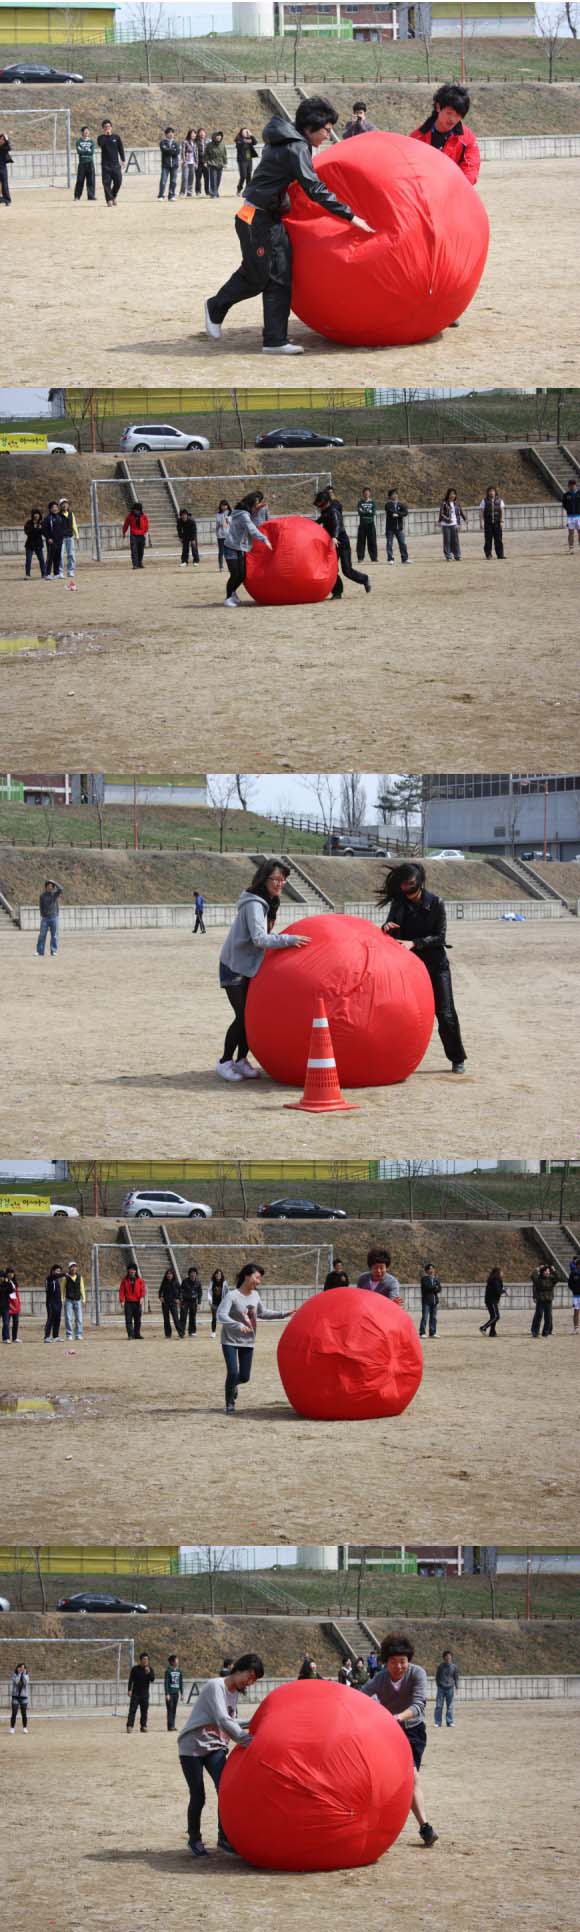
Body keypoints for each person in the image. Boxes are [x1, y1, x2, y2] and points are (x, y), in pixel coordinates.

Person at [205, 97, 371, 356]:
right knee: (257, 276)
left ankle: (274, 340)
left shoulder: (288, 139)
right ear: (310, 127)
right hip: (255, 218)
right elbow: (314, 187)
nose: (328, 136)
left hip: (271, 218)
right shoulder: (296, 146)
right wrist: (350, 216)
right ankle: (215, 306)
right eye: (326, 130)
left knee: (280, 275)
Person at [218, 857, 309, 1082]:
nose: (280, 883)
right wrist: (290, 939)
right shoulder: (254, 904)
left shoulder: (269, 901)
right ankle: (225, 1062)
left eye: (283, 879)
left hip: (250, 966)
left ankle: (241, 1060)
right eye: (276, 879)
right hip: (234, 966)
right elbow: (260, 938)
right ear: (264, 879)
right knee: (243, 1017)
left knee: (251, 1017)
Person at [379, 860, 467, 1074]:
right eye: (403, 883)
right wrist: (386, 927)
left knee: (445, 1013)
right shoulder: (398, 903)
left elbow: (440, 937)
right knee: (400, 1013)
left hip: (436, 965)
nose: (406, 888)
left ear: (420, 882)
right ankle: (395, 1057)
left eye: (410, 883)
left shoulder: (436, 903)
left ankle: (457, 1058)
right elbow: (392, 931)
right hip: (408, 966)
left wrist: (415, 943)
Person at [178, 1653, 263, 1857]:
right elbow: (223, 1720)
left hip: (215, 1746)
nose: (249, 1682)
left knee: (226, 1790)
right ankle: (194, 1838)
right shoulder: (215, 1686)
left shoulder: (233, 1693)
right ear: (239, 1668)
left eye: (254, 1680)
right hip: (192, 1748)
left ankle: (224, 1838)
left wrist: (255, 1721)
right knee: (198, 1795)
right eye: (249, 1676)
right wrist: (249, 1741)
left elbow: (230, 1720)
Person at [359, 1635, 438, 1847]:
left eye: (403, 1661)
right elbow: (360, 1697)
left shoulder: (417, 1673)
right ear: (385, 1662)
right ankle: (422, 1827)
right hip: (388, 1733)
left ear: (408, 1660)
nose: (399, 1666)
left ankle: (424, 1826)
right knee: (394, 1778)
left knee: (411, 1777)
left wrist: (397, 1717)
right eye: (393, 1662)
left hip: (413, 1733)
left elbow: (419, 1705)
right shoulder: (380, 1679)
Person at [217, 1263, 289, 1415]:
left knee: (244, 1377)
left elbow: (263, 1313)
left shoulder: (255, 1295)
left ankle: (232, 1385)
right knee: (233, 1372)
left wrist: (283, 1313)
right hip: (229, 1340)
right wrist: (238, 1325)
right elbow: (221, 1314)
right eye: (257, 1277)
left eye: (260, 1279)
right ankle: (229, 1403)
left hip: (248, 1341)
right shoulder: (232, 1295)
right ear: (247, 1276)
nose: (258, 1281)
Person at [410, 84, 481, 184]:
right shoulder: (416, 139)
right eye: (449, 113)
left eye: (458, 115)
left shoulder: (467, 139)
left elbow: (471, 168)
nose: (452, 119)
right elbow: (410, 171)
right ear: (438, 107)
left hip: (455, 189)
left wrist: (454, 187)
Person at [314, 486, 371, 597]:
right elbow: (316, 523)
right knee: (332, 569)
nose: (320, 507)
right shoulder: (325, 512)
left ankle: (364, 579)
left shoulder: (334, 511)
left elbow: (337, 525)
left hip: (342, 542)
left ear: (326, 502)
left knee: (347, 570)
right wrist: (303, 521)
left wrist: (335, 537)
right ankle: (337, 592)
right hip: (332, 544)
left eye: (321, 504)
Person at [221, 491, 271, 608]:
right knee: (235, 574)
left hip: (240, 547)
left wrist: (259, 510)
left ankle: (232, 592)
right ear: (250, 504)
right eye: (255, 504)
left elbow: (255, 522)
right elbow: (252, 529)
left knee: (242, 574)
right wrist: (264, 539)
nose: (256, 506)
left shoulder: (243, 512)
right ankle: (228, 598)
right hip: (231, 547)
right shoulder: (243, 515)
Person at [98, 119, 125, 204]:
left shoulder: (116, 137)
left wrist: (123, 159)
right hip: (106, 165)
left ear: (111, 127)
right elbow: (101, 144)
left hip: (115, 164)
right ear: (103, 128)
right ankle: (109, 200)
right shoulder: (101, 138)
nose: (107, 128)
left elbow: (121, 149)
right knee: (106, 183)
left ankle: (113, 195)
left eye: (109, 126)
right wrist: (106, 136)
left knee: (118, 181)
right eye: (105, 127)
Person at [126, 1653, 155, 1733]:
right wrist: (129, 1690)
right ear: (141, 1660)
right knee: (132, 1710)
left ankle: (143, 1726)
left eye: (147, 1659)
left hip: (145, 1694)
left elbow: (152, 1679)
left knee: (144, 1711)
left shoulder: (150, 1669)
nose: (146, 1661)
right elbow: (131, 1680)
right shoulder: (135, 1669)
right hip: (136, 1693)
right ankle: (129, 1726)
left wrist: (148, 1672)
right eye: (144, 1659)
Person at [36, 877, 62, 958]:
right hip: (45, 918)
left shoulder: (55, 894)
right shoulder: (42, 896)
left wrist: (54, 882)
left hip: (54, 917)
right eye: (48, 886)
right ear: (46, 887)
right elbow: (41, 906)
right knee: (42, 935)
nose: (50, 887)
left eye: (51, 886)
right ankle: (40, 951)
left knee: (54, 935)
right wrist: (42, 914)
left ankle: (53, 951)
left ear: (53, 887)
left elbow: (61, 889)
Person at [438, 488, 467, 561]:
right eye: (451, 494)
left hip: (454, 524)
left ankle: (457, 555)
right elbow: (441, 514)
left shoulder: (457, 503)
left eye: (454, 494)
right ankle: (448, 556)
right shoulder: (444, 503)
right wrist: (447, 519)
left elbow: (460, 512)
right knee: (447, 541)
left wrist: (465, 519)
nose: (453, 495)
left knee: (455, 541)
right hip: (446, 525)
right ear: (448, 495)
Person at [531, 1262, 558, 1338]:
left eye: (548, 1271)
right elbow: (533, 1276)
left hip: (548, 1299)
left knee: (548, 1316)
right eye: (546, 1271)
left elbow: (558, 1278)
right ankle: (535, 1332)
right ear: (543, 1272)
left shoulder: (551, 1279)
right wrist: (537, 1269)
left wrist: (554, 1270)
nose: (548, 1272)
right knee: (538, 1315)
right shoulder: (538, 1279)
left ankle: (545, 1333)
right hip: (541, 1299)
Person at [119, 1263, 146, 1339]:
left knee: (138, 1319)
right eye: (130, 1270)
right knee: (128, 1319)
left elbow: (142, 1290)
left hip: (137, 1302)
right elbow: (121, 1291)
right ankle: (130, 1334)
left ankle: (137, 1334)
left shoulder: (140, 1280)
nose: (132, 1271)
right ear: (128, 1271)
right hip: (128, 1303)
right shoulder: (124, 1281)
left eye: (133, 1270)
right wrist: (122, 1301)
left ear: (136, 1271)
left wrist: (142, 1298)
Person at [57, 497, 78, 589]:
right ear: (60, 506)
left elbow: (74, 525)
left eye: (66, 503)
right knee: (60, 555)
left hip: (70, 536)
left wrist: (77, 535)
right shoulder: (58, 515)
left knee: (71, 554)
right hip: (61, 538)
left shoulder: (71, 514)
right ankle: (60, 572)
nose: (65, 505)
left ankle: (70, 571)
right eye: (63, 504)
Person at [434, 1650, 459, 1728]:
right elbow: (437, 1677)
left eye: (449, 1656)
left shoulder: (454, 1667)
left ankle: (450, 1722)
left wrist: (457, 1687)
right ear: (444, 1658)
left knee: (450, 1706)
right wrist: (438, 1685)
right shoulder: (440, 1666)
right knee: (439, 1706)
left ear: (451, 1657)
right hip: (441, 1688)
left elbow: (456, 1677)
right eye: (446, 1656)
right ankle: (438, 1722)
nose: (448, 1658)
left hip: (450, 1688)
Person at [385, 489, 411, 565]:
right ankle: (390, 559)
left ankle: (405, 558)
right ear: (390, 496)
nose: (395, 495)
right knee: (389, 543)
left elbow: (405, 512)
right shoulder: (388, 504)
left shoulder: (401, 504)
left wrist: (398, 514)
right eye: (393, 494)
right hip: (390, 528)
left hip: (399, 527)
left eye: (396, 494)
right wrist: (399, 513)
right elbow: (390, 511)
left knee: (402, 543)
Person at [479, 486, 505, 560]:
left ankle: (500, 555)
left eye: (493, 491)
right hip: (488, 523)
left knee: (498, 539)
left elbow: (502, 511)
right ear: (488, 493)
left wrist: (502, 521)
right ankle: (488, 555)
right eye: (490, 491)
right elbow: (481, 512)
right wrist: (481, 522)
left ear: (495, 492)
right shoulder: (484, 501)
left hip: (497, 523)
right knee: (488, 540)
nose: (491, 493)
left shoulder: (500, 500)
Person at [480, 1264, 505, 1338]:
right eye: (501, 1272)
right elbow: (497, 1290)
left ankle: (492, 1332)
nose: (502, 1273)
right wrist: (503, 1291)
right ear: (498, 1273)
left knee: (493, 1316)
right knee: (496, 1316)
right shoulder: (495, 1280)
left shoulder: (493, 1279)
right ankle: (484, 1327)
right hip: (492, 1300)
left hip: (490, 1300)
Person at [122, 502, 150, 570]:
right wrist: (124, 532)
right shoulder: (130, 516)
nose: (136, 511)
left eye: (137, 510)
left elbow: (147, 525)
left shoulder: (144, 516)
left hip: (141, 535)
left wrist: (144, 531)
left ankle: (140, 563)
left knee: (141, 550)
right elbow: (126, 524)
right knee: (134, 550)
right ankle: (135, 564)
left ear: (140, 510)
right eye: (135, 510)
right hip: (133, 535)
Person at [63, 1261, 85, 1341]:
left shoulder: (80, 1277)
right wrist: (62, 1299)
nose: (74, 1268)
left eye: (75, 1266)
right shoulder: (65, 1278)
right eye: (72, 1267)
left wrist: (84, 1298)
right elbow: (62, 1289)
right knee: (68, 1318)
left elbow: (82, 1288)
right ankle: (69, 1334)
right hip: (68, 1300)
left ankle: (78, 1334)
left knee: (79, 1318)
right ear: (69, 1268)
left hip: (78, 1299)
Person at [419, 1262, 441, 1338]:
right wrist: (434, 1287)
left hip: (434, 1301)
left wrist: (435, 1288)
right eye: (430, 1269)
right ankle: (422, 1332)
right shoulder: (424, 1279)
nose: (432, 1270)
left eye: (433, 1269)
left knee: (433, 1317)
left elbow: (439, 1289)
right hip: (426, 1301)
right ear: (426, 1271)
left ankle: (432, 1332)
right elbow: (427, 1288)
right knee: (425, 1317)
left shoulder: (436, 1279)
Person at [159, 1266, 182, 1338]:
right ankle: (168, 1334)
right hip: (165, 1303)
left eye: (170, 1274)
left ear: (173, 1275)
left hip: (173, 1302)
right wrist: (160, 1297)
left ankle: (181, 1333)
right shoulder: (164, 1282)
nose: (169, 1275)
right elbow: (160, 1291)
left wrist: (179, 1299)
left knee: (176, 1318)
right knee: (166, 1319)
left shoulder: (176, 1283)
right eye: (168, 1274)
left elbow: (181, 1292)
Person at [356, 487, 378, 563]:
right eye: (365, 493)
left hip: (370, 524)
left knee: (372, 541)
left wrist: (364, 511)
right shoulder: (360, 502)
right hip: (362, 524)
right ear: (363, 494)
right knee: (361, 542)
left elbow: (373, 513)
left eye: (368, 493)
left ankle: (374, 558)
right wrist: (368, 511)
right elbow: (360, 513)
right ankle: (360, 558)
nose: (366, 494)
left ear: (370, 493)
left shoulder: (373, 503)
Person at [180, 1265, 202, 1337]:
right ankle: (181, 1331)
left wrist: (199, 1303)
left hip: (193, 1302)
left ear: (196, 1274)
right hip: (185, 1301)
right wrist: (181, 1299)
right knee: (183, 1316)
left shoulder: (198, 1282)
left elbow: (200, 1293)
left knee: (193, 1317)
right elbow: (180, 1291)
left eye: (194, 1273)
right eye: (191, 1273)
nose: (193, 1274)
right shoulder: (185, 1281)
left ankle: (192, 1331)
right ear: (189, 1274)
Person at [74, 127, 96, 201]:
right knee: (80, 180)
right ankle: (77, 196)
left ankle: (91, 196)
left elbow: (91, 152)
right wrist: (87, 150)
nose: (86, 132)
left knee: (91, 180)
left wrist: (83, 150)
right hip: (82, 163)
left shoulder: (91, 141)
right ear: (82, 132)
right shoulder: (78, 142)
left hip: (90, 163)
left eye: (88, 131)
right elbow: (79, 151)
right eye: (85, 131)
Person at [44, 1263, 64, 1341]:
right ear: (52, 1271)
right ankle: (47, 1336)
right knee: (50, 1319)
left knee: (57, 1319)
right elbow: (54, 1276)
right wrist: (64, 1274)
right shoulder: (49, 1278)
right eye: (57, 1271)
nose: (58, 1273)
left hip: (58, 1302)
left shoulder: (56, 1280)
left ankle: (56, 1336)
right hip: (51, 1302)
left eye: (59, 1271)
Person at [42, 501, 63, 577]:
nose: (55, 509)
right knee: (50, 557)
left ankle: (56, 573)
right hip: (51, 541)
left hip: (59, 541)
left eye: (56, 507)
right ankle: (47, 574)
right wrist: (48, 538)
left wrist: (62, 537)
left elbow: (61, 529)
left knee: (58, 557)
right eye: (53, 507)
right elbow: (44, 530)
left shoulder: (59, 517)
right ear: (50, 509)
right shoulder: (47, 518)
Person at [23, 509, 46, 579]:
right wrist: (35, 528)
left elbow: (44, 532)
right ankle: (27, 574)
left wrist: (41, 529)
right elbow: (27, 532)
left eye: (37, 514)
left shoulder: (41, 523)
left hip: (38, 544)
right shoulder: (29, 523)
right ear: (32, 515)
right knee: (28, 559)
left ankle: (44, 574)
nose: (36, 515)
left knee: (41, 559)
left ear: (40, 515)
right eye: (35, 514)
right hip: (29, 544)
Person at [235, 126, 259, 193]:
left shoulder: (249, 138)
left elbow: (255, 142)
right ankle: (239, 189)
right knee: (243, 176)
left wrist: (251, 135)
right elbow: (239, 144)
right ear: (241, 133)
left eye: (247, 132)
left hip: (249, 160)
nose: (246, 133)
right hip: (242, 160)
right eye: (244, 132)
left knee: (249, 176)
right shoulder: (238, 139)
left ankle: (248, 190)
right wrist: (246, 141)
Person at [159, 126, 179, 201]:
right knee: (163, 181)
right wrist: (172, 150)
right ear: (166, 134)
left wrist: (169, 150)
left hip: (174, 165)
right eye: (169, 133)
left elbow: (177, 152)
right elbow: (164, 150)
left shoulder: (176, 143)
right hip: (165, 165)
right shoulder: (162, 142)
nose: (171, 134)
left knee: (173, 181)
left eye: (172, 133)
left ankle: (171, 195)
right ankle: (161, 195)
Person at [206, 130, 227, 198]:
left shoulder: (222, 144)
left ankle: (216, 191)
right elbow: (206, 154)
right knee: (213, 179)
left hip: (220, 164)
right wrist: (205, 161)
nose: (219, 137)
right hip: (212, 163)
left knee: (218, 179)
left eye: (220, 135)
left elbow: (224, 154)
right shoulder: (209, 145)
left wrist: (225, 162)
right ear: (214, 136)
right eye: (217, 135)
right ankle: (213, 193)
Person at [165, 1654, 184, 1731]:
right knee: (170, 1709)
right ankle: (170, 1726)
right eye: (176, 1660)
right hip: (170, 1693)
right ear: (172, 1662)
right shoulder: (168, 1671)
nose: (178, 1661)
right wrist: (167, 1693)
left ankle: (172, 1725)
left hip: (176, 1693)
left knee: (174, 1709)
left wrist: (182, 1693)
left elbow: (181, 1682)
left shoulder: (179, 1671)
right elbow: (166, 1683)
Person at [10, 1663, 30, 1734]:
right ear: (17, 1668)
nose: (22, 1669)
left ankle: (25, 1728)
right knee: (14, 1713)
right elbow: (16, 1682)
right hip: (15, 1696)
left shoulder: (26, 1675)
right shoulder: (14, 1675)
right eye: (20, 1668)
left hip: (24, 1697)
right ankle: (12, 1728)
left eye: (23, 1668)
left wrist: (23, 1674)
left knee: (24, 1713)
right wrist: (19, 1674)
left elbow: (26, 1682)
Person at [562, 477, 580, 553]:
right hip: (570, 516)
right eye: (571, 485)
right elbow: (564, 505)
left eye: (573, 485)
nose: (572, 486)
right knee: (571, 532)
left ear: (576, 485)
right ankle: (571, 548)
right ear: (568, 486)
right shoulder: (566, 495)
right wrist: (569, 510)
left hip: (579, 516)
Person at [3, 1269, 21, 1343]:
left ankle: (15, 1338)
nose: (11, 1274)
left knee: (16, 1322)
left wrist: (18, 1304)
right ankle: (6, 1338)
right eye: (9, 1273)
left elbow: (17, 1295)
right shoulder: (4, 1283)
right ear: (6, 1274)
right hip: (8, 1305)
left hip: (15, 1305)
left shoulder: (15, 1283)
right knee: (6, 1323)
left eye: (12, 1273)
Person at [208, 1268, 227, 1334]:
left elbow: (227, 1292)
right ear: (215, 1275)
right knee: (214, 1317)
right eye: (217, 1274)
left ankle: (225, 1331)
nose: (218, 1275)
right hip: (214, 1303)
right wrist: (210, 1300)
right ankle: (213, 1332)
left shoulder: (224, 1283)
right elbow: (209, 1291)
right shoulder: (212, 1282)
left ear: (221, 1275)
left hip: (222, 1303)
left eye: (219, 1274)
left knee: (224, 1317)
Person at [215, 499, 231, 572]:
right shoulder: (218, 514)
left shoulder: (231, 513)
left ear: (227, 506)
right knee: (221, 551)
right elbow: (219, 523)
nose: (224, 507)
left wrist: (228, 519)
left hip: (228, 535)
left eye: (225, 505)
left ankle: (230, 566)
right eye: (222, 506)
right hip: (221, 535)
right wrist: (224, 518)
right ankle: (221, 566)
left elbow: (232, 522)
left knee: (229, 551)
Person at [180, 128, 197, 197]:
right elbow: (183, 152)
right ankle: (182, 192)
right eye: (192, 134)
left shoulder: (195, 143)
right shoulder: (185, 142)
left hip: (192, 163)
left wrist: (196, 162)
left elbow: (196, 154)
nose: (193, 135)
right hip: (186, 162)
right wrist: (184, 161)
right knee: (185, 177)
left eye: (194, 134)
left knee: (191, 178)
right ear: (189, 134)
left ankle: (189, 192)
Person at [0, 130, 13, 205]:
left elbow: (9, 148)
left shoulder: (4, 148)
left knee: (4, 184)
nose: (2, 140)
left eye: (3, 140)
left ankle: (7, 200)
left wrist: (7, 140)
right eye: (1, 139)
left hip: (2, 169)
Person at [194, 128, 209, 195]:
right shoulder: (196, 142)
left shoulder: (208, 141)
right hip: (198, 161)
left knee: (207, 177)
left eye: (203, 132)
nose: (202, 133)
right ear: (198, 134)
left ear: (205, 133)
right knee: (198, 177)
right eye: (200, 132)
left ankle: (207, 191)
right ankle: (198, 191)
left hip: (206, 161)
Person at [568, 1254, 580, 1332]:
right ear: (577, 1265)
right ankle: (576, 1327)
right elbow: (570, 1284)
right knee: (576, 1311)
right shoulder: (573, 1273)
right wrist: (574, 1290)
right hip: (576, 1295)